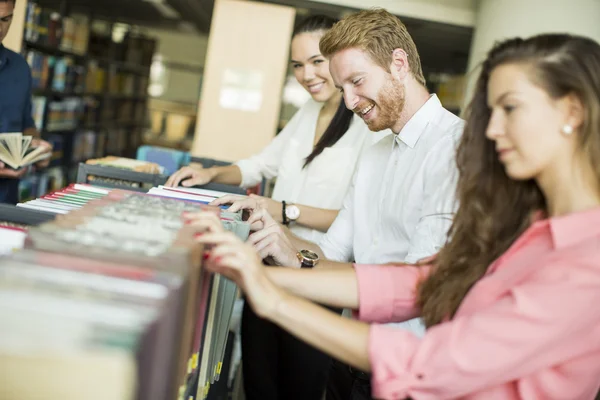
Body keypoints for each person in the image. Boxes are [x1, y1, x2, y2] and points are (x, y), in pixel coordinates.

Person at [189, 32, 600, 399]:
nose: (492, 130)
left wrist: (273, 296)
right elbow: (422, 281)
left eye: (509, 108)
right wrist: (255, 273)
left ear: (572, 111)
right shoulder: (535, 227)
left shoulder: (586, 262)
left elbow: (432, 361)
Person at [236, 9, 462, 399]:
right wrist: (285, 246)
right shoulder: (375, 154)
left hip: (407, 368)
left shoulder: (455, 149)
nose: (352, 102)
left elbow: (416, 286)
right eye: (343, 89)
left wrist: (270, 284)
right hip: (351, 353)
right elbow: (331, 253)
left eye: (357, 82)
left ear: (398, 63)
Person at [170, 15, 388, 400]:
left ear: (338, 58)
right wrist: (210, 172)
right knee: (259, 380)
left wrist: (283, 210)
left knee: (300, 388)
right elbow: (260, 164)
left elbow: (355, 220)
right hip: (268, 261)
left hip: (317, 272)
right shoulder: (307, 113)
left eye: (318, 61)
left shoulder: (368, 127)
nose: (307, 74)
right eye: (298, 65)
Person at [0, 0, 52, 204]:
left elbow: (26, 125)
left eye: (5, 19)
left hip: (5, 204)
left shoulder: (20, 68)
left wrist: (35, 149)